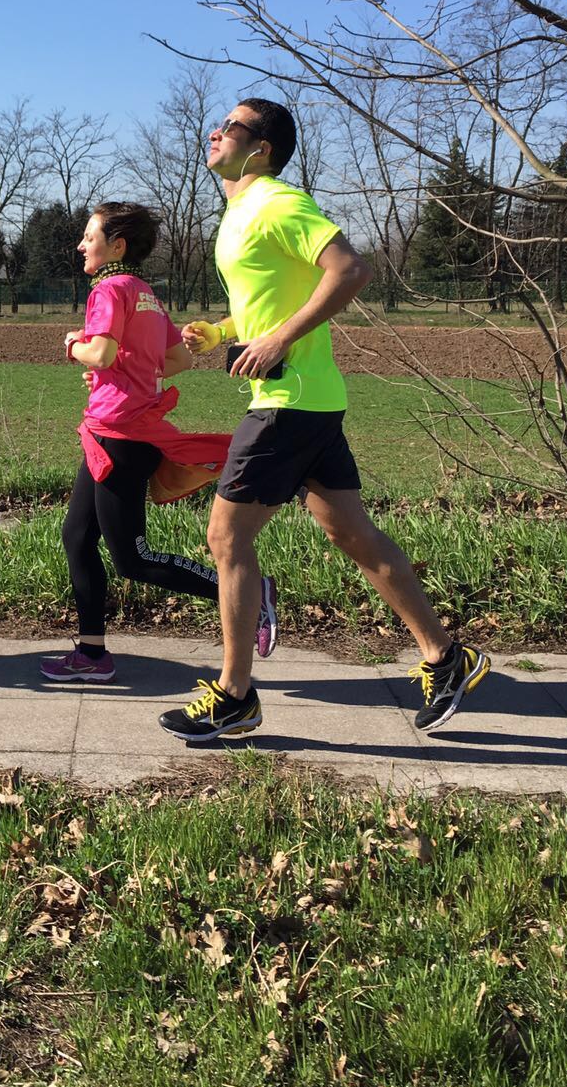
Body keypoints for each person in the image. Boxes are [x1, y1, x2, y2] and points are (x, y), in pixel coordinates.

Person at [158, 98, 490, 743]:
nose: (214, 133)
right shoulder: (240, 212)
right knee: (352, 533)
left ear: (261, 147)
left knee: (227, 540)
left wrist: (278, 341)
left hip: (290, 400)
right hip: (311, 397)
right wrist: (222, 330)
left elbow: (350, 270)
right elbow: (272, 302)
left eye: (229, 127)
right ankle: (446, 658)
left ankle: (234, 695)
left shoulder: (279, 203)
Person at [39, 202, 278, 685]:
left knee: (132, 558)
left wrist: (72, 344)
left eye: (90, 236)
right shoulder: (145, 293)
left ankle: (249, 594)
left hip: (120, 435)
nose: (82, 245)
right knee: (77, 538)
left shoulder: (108, 288)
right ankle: (91, 654)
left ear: (117, 246)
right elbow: (173, 362)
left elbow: (100, 350)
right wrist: (119, 375)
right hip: (120, 429)